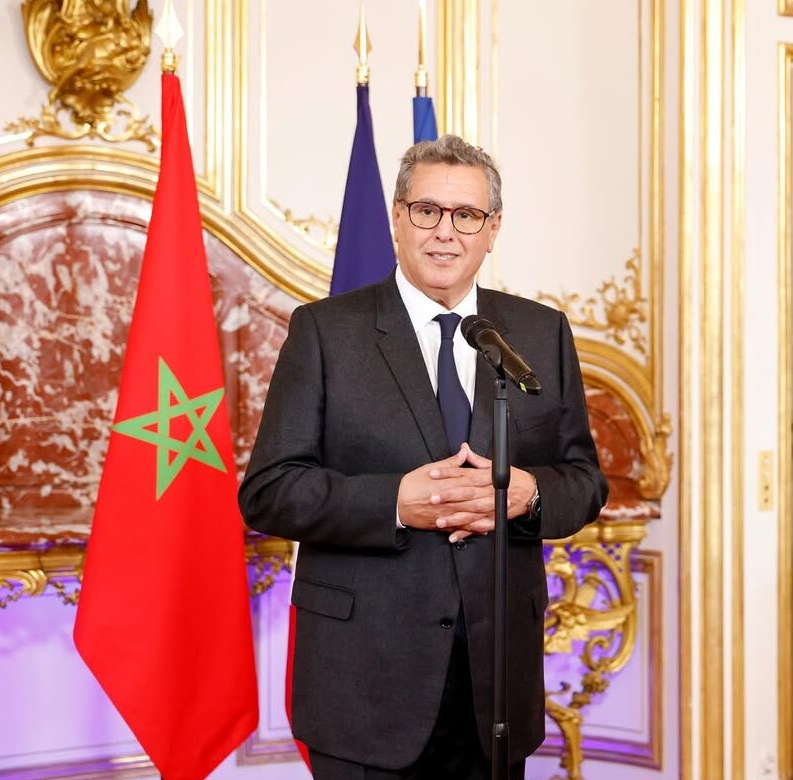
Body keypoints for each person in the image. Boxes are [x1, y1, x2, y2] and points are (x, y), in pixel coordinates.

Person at [239, 134, 608, 779]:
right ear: (397, 217)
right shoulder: (325, 331)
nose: (445, 232)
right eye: (427, 210)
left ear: (493, 229)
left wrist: (529, 495)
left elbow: (583, 480)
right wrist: (394, 504)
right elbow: (269, 490)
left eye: (466, 215)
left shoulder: (539, 332)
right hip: (364, 684)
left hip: (495, 686)